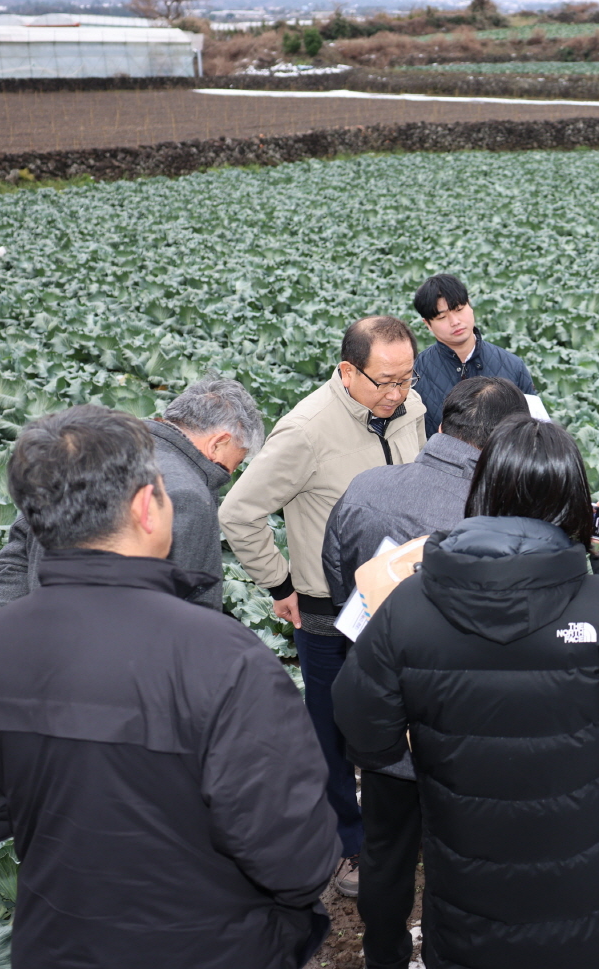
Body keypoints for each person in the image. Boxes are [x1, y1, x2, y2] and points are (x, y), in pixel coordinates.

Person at [0, 405, 337, 969]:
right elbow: (296, 859)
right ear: (144, 508)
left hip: (57, 941)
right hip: (210, 946)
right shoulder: (225, 659)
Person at [331, 418, 599, 969]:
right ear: (573, 499)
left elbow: (360, 722)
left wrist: (414, 751)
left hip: (468, 863)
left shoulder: (411, 603)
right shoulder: (598, 600)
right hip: (581, 872)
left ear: (481, 487)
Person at [318, 376, 528, 969]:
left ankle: (383, 955)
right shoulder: (507, 511)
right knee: (461, 854)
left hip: (385, 715)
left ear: (439, 427)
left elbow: (344, 593)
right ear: (508, 443)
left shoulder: (366, 490)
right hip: (474, 724)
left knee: (385, 849)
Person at [219, 315, 427, 897]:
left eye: (406, 378)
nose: (397, 394)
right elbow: (238, 512)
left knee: (412, 714)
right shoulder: (307, 430)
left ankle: (417, 823)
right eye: (384, 381)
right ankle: (349, 844)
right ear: (346, 371)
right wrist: (280, 585)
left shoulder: (411, 408)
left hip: (404, 596)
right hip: (331, 609)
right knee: (333, 730)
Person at [0, 376, 264, 615]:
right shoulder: (185, 497)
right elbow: (170, 615)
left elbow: (14, 558)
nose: (226, 475)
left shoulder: (87, 452)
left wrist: (9, 634)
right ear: (219, 443)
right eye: (233, 464)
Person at [411, 273, 537, 436]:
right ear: (427, 324)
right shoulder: (415, 374)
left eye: (459, 309)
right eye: (442, 317)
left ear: (470, 305)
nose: (455, 321)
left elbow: (533, 432)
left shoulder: (513, 366)